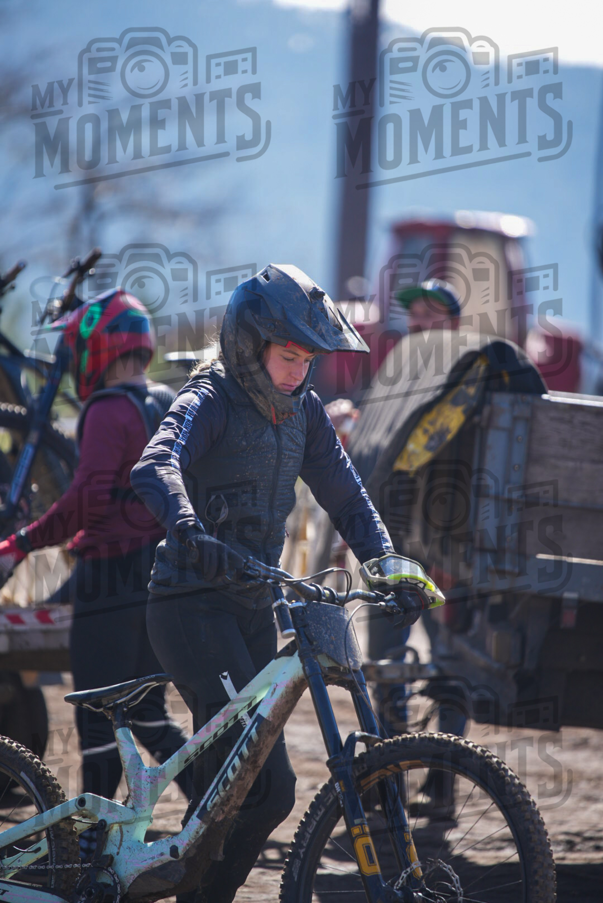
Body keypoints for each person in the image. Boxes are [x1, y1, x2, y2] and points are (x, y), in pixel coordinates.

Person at [131, 263, 423, 903]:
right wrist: (188, 530)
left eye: (308, 359)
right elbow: (155, 464)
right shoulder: (211, 397)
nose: (299, 371)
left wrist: (387, 563)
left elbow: (348, 497)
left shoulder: (305, 413)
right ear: (248, 344)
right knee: (249, 784)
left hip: (253, 608)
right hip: (190, 607)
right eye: (289, 356)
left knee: (269, 794)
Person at [0, 288, 191, 857]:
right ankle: (218, 808)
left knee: (96, 717)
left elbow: (86, 500)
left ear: (96, 349)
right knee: (149, 714)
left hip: (109, 578)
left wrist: (20, 544)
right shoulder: (168, 401)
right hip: (160, 576)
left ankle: (93, 846)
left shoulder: (107, 410)